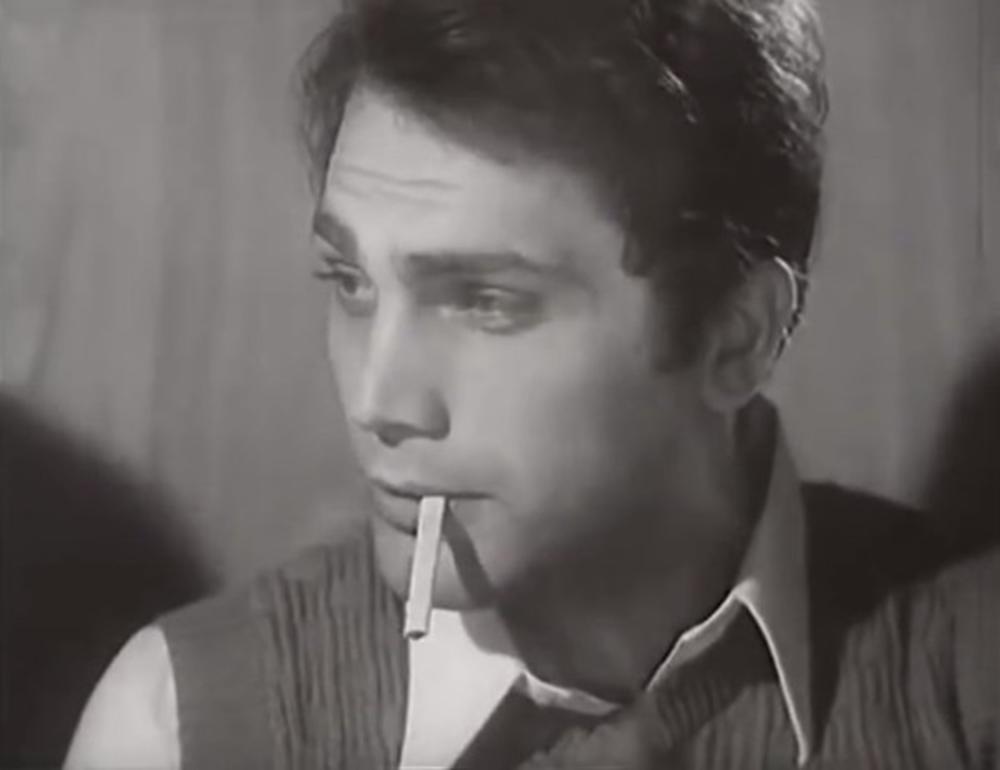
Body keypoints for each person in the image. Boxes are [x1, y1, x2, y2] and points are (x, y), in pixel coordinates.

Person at [65, 0, 1000, 768]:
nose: (378, 401)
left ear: (735, 337)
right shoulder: (184, 727)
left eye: (485, 301)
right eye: (350, 283)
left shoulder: (967, 678)